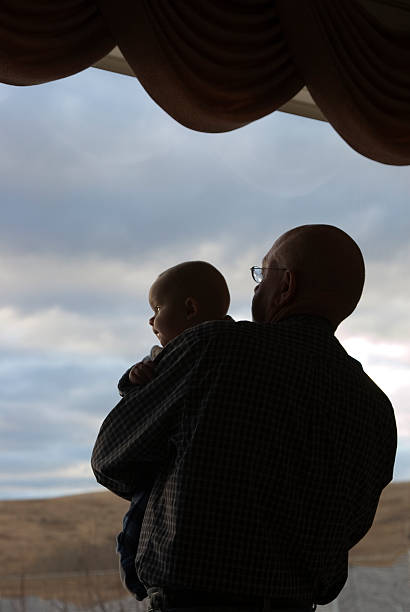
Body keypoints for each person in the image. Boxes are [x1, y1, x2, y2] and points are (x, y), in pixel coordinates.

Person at [91, 225, 397, 612]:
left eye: (262, 274)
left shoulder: (213, 346)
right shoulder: (376, 409)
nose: (254, 289)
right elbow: (350, 527)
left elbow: (110, 455)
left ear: (286, 286)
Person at [114, 261, 231, 600]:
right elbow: (133, 388)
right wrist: (133, 378)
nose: (151, 320)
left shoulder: (181, 356)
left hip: (166, 470)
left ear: (190, 309)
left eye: (157, 308)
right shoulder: (159, 358)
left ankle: (140, 583)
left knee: (137, 524)